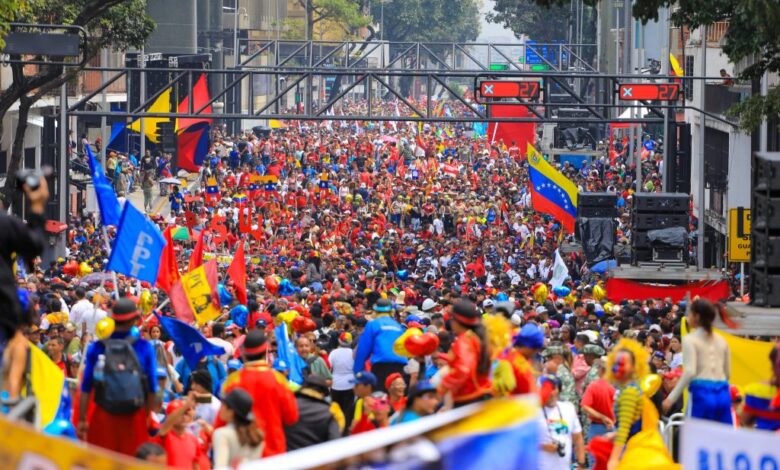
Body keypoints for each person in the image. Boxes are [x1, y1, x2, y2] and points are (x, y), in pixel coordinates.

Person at [78, 298, 158, 456]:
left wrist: (82, 419)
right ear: (135, 320)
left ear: (112, 319)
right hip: (134, 419)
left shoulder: (97, 346)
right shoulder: (144, 347)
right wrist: (147, 417)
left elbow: (86, 387)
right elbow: (152, 388)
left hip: (103, 417)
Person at [218, 330, 299, 456]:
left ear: (244, 354)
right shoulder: (279, 380)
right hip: (274, 453)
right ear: (265, 352)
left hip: (242, 454)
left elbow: (221, 420)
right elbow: (291, 417)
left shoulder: (232, 381)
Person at [662, 299, 732, 424]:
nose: (687, 316)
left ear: (697, 316)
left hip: (702, 394)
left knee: (696, 439)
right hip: (723, 393)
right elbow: (728, 374)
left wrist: (670, 399)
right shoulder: (722, 341)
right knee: (722, 440)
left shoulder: (690, 339)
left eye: (690, 313)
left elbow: (689, 371)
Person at [437, 299, 493, 407]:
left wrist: (441, 388)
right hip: (481, 394)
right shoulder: (475, 337)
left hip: (469, 399)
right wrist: (439, 355)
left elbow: (463, 369)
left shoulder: (464, 341)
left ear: (457, 320)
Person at [354, 298, 407, 392]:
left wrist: (358, 373)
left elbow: (362, 350)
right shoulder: (398, 327)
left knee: (379, 399)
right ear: (391, 312)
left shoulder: (372, 324)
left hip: (381, 367)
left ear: (375, 311)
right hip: (400, 367)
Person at [537, 375, 587, 470]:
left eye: (554, 388)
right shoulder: (532, 412)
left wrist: (581, 464)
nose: (551, 393)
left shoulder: (568, 408)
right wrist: (543, 446)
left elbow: (578, 439)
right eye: (547, 389)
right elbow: (519, 443)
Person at [284, 374, 342, 451]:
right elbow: (335, 443)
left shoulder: (287, 405)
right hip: (316, 460)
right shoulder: (329, 412)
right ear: (322, 394)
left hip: (288, 458)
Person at [212, 388, 264, 469]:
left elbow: (220, 467)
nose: (220, 409)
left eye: (223, 405)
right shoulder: (257, 435)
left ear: (231, 411)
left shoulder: (222, 434)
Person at [497, 322, 545, 396]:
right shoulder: (520, 366)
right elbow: (532, 396)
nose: (535, 353)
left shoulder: (503, 351)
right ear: (528, 347)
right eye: (535, 349)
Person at [157, 394, 202, 469]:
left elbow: (195, 466)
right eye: (181, 413)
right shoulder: (164, 434)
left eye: (186, 413)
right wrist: (185, 406)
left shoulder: (193, 440)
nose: (184, 417)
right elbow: (164, 428)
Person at [580, 361, 615, 442]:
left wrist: (602, 417)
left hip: (596, 428)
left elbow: (585, 406)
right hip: (614, 428)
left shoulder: (593, 386)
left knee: (595, 452)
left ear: (601, 370)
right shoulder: (616, 387)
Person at [329, 332, 355, 426]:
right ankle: (346, 431)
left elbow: (329, 367)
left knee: (336, 411)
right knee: (348, 412)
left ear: (339, 341)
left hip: (336, 385)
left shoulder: (333, 353)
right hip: (350, 385)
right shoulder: (353, 353)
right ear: (351, 342)